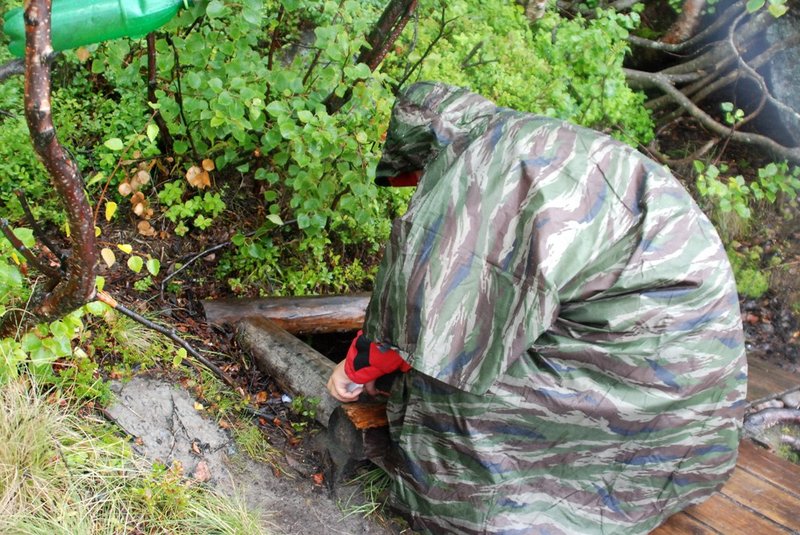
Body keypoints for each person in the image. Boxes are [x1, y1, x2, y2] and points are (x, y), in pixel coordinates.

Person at [327, 82, 746, 535]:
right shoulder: (530, 140)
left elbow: (421, 318)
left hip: (637, 355)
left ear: (423, 149)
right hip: (693, 387)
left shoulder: (480, 167)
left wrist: (354, 372)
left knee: (453, 380)